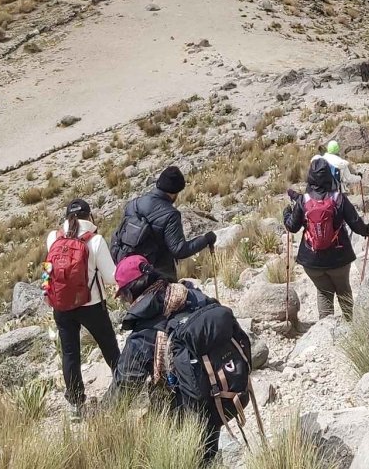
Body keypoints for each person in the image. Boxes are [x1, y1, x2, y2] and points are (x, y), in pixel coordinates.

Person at [108, 255, 241, 465]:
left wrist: (103, 414)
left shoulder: (144, 333)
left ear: (131, 291)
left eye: (123, 295)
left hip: (184, 408)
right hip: (218, 389)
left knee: (184, 458)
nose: (125, 302)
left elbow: (125, 385)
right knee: (208, 450)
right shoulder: (190, 294)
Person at [43, 198, 121, 412]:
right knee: (108, 346)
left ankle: (76, 403)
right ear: (90, 216)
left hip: (61, 305)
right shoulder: (94, 241)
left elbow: (49, 269)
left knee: (69, 353)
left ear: (67, 216)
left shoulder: (53, 237)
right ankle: (125, 384)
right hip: (91, 304)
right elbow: (111, 277)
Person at [282, 159, 369, 319]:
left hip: (312, 260)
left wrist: (286, 213)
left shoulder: (303, 200)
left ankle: (326, 331)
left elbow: (292, 227)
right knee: (344, 291)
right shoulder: (338, 198)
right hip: (339, 257)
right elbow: (356, 225)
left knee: (323, 292)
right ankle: (350, 327)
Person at [111, 166, 216, 282]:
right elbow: (179, 250)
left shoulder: (133, 204)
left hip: (129, 275)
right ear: (174, 193)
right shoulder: (170, 214)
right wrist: (205, 239)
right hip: (157, 277)